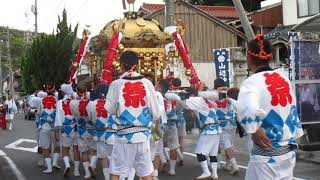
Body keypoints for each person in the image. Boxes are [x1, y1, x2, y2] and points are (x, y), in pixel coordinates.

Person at [237, 34, 303, 180]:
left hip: (266, 153)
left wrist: (254, 127)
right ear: (271, 56)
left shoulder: (252, 82)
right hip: (288, 149)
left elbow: (247, 107)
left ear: (248, 57)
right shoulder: (283, 78)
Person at [106, 50, 161, 180]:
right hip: (143, 136)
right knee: (146, 172)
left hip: (124, 136)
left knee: (116, 171)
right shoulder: (147, 83)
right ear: (136, 64)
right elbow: (156, 113)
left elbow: (111, 110)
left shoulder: (116, 84)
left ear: (121, 64)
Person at [173, 87, 221, 180]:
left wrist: (178, 95)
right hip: (216, 128)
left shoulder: (196, 99)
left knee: (200, 152)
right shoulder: (206, 99)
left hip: (209, 129)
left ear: (191, 94)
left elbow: (185, 104)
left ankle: (206, 172)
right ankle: (214, 174)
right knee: (212, 154)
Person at [87, 83, 116, 180]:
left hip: (99, 134)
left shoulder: (91, 104)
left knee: (103, 157)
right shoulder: (113, 102)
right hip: (112, 134)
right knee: (113, 158)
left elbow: (90, 119)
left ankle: (107, 178)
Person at [212, 79, 239, 175]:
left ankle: (234, 165)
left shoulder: (213, 95)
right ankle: (228, 165)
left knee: (226, 144)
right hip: (232, 123)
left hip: (222, 124)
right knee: (230, 145)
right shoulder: (228, 94)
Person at [70, 84, 97, 179]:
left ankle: (87, 173)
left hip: (81, 130)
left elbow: (73, 116)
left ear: (77, 92)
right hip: (92, 130)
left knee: (84, 152)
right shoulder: (93, 103)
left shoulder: (73, 103)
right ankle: (92, 165)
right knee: (93, 151)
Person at [54, 84, 81, 177]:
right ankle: (76, 171)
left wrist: (56, 131)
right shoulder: (76, 101)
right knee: (76, 149)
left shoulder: (60, 102)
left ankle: (67, 165)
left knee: (65, 149)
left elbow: (58, 117)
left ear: (63, 92)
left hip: (65, 129)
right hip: (76, 128)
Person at [37, 83, 61, 173]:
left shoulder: (41, 100)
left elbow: (39, 113)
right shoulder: (58, 100)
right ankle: (54, 162)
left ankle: (49, 168)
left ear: (46, 91)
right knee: (57, 146)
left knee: (46, 148)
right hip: (54, 127)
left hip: (44, 127)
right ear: (54, 90)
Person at [151, 79, 169, 180]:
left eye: (156, 84)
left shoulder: (154, 95)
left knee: (149, 150)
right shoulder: (165, 99)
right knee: (158, 150)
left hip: (152, 127)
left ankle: (147, 174)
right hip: (160, 127)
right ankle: (155, 174)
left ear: (159, 86)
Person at [171, 78, 186, 166]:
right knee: (181, 140)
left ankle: (178, 157)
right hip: (181, 118)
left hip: (171, 119)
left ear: (172, 84)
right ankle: (181, 157)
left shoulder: (169, 93)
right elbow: (185, 105)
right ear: (180, 84)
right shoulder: (183, 93)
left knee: (173, 140)